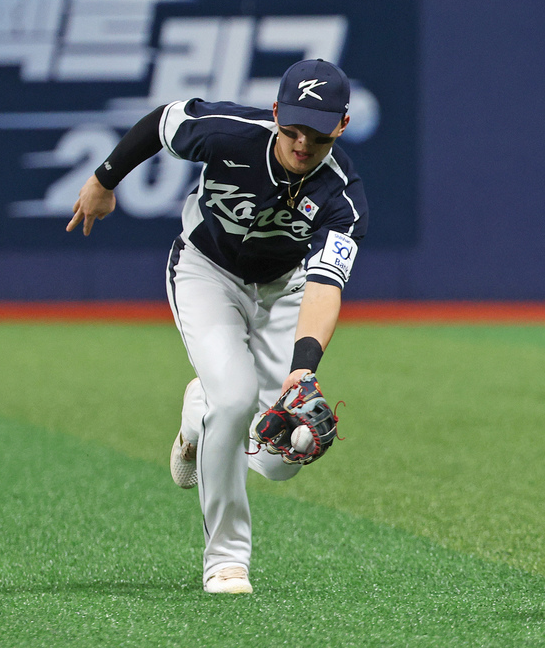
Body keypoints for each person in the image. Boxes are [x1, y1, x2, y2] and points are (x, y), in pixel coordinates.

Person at [68, 59, 367, 594]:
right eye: (292, 128)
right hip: (207, 271)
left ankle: (196, 414)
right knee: (234, 399)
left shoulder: (342, 198)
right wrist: (103, 179)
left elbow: (325, 286)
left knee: (282, 454)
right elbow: (162, 122)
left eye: (317, 135)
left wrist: (303, 373)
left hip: (285, 290)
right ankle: (226, 558)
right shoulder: (230, 133)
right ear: (275, 113)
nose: (301, 144)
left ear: (341, 126)